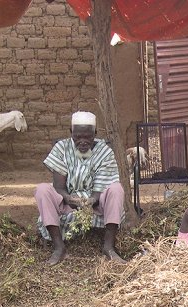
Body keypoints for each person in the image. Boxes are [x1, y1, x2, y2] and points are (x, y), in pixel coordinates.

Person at [35, 111, 125, 265]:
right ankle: (59, 247)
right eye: (77, 137)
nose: (83, 142)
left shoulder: (104, 152)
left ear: (95, 134)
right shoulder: (61, 148)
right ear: (71, 133)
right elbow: (58, 187)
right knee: (42, 189)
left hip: (95, 205)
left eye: (88, 137)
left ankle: (109, 247)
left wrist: (90, 200)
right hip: (67, 201)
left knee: (116, 189)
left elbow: (100, 190)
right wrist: (69, 198)